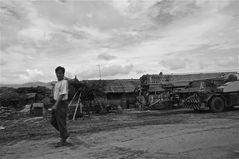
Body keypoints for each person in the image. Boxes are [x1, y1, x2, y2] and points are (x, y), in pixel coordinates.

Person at [51, 66, 70, 147]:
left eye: (60, 73)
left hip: (61, 104)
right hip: (57, 103)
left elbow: (62, 94)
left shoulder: (64, 82)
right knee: (52, 121)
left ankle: (63, 140)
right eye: (57, 73)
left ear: (63, 74)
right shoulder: (57, 83)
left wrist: (56, 105)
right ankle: (64, 134)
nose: (58, 75)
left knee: (61, 122)